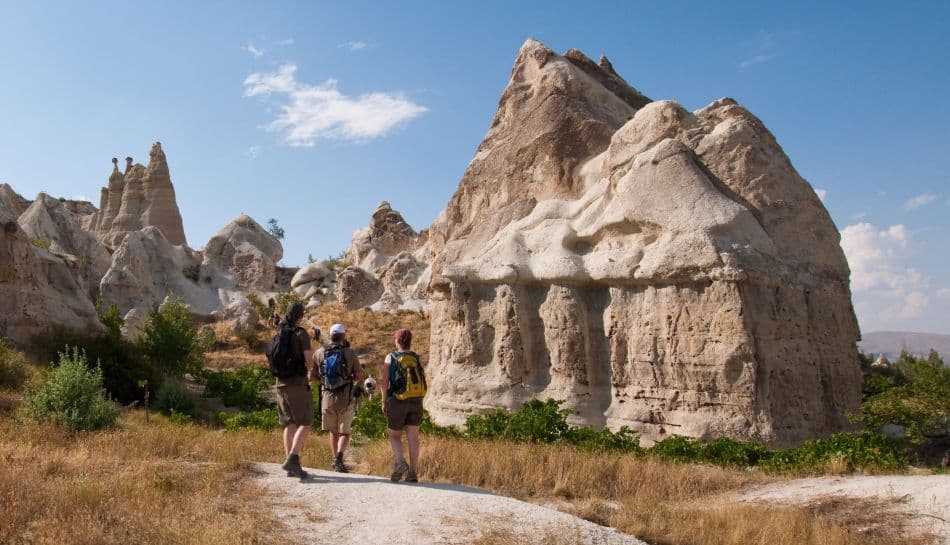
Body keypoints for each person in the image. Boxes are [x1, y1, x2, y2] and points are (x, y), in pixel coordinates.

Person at [314, 323, 364, 472]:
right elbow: (360, 375)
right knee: (345, 432)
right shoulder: (349, 353)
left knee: (333, 431)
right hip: (345, 397)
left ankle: (335, 460)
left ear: (330, 335)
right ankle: (339, 458)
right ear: (343, 336)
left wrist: (324, 381)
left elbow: (311, 376)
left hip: (327, 397)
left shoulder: (319, 353)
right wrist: (351, 379)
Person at [275, 302, 316, 479]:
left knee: (289, 423)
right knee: (305, 422)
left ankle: (290, 464)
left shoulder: (279, 332)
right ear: (300, 316)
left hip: (280, 383)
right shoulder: (301, 333)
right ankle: (293, 458)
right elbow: (309, 362)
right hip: (297, 383)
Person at [379, 328, 426, 483]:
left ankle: (400, 463)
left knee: (394, 435)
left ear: (397, 341)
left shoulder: (390, 357)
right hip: (416, 400)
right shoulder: (416, 357)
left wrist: (384, 400)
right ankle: (412, 472)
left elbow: (384, 382)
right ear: (410, 341)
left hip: (398, 400)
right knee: (413, 437)